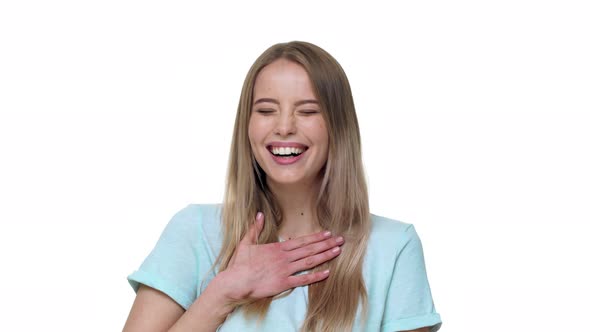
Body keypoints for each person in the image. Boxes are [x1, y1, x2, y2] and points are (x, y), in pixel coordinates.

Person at [123, 41, 442, 332]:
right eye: (265, 110)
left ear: (338, 126)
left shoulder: (393, 247)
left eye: (307, 111)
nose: (285, 126)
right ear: (246, 125)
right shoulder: (194, 231)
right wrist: (223, 293)